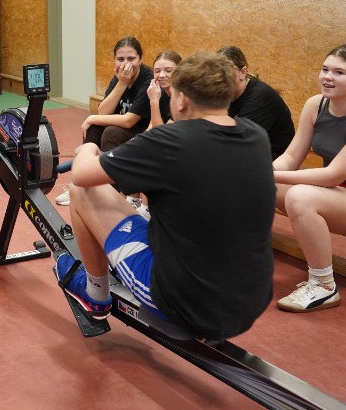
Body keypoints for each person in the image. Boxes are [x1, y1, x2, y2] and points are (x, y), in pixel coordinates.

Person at [54, 53, 275, 340]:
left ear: (181, 100)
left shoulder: (170, 141)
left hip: (182, 304)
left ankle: (95, 295)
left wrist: (87, 150)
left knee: (82, 191)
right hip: (252, 301)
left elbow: (83, 175)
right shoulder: (256, 135)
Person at [273, 44, 346, 313]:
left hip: (345, 191)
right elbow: (291, 156)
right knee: (267, 185)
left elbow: (334, 175)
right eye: (325, 69)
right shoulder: (315, 104)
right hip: (339, 194)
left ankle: (324, 286)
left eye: (339, 72)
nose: (328, 77)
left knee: (300, 196)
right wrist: (264, 172)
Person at [56, 37, 153, 208]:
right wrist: (122, 83)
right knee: (95, 127)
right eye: (120, 59)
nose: (126, 64)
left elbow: (130, 120)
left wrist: (92, 117)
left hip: (144, 129)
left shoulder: (147, 79)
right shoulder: (120, 76)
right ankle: (82, 183)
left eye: (131, 59)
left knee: (110, 132)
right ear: (114, 60)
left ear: (140, 59)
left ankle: (109, 189)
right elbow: (104, 111)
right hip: (125, 126)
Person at [217, 46, 295, 159]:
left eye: (226, 71)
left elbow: (236, 143)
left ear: (243, 72)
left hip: (273, 164)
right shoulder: (224, 93)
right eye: (216, 72)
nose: (219, 78)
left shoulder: (260, 96)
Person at [147, 50, 182, 128]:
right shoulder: (159, 93)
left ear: (180, 72)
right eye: (157, 71)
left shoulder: (182, 97)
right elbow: (151, 125)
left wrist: (154, 101)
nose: (161, 75)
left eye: (168, 71)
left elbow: (161, 133)